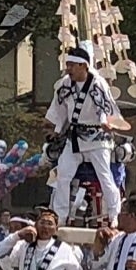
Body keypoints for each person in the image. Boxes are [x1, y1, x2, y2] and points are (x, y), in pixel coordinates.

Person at [45, 45, 125, 225]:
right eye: (68, 65)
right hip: (74, 138)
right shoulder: (65, 83)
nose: (69, 69)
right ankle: (60, 217)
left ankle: (114, 215)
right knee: (63, 176)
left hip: (97, 137)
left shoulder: (98, 83)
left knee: (105, 177)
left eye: (73, 65)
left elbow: (105, 106)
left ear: (84, 66)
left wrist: (106, 121)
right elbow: (61, 109)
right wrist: (56, 130)